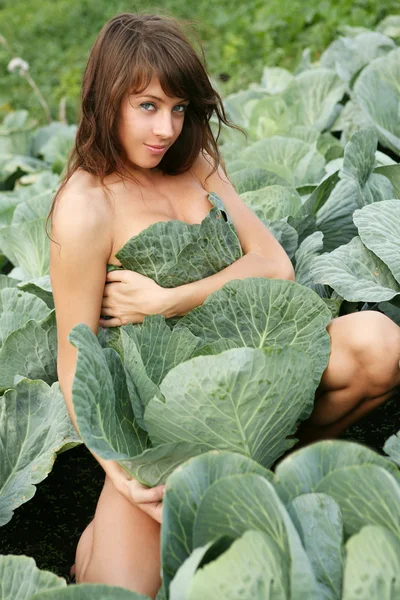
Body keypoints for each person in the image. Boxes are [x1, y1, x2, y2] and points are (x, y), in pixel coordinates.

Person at [48, 12, 400, 598]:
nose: (165, 128)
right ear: (106, 99)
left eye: (179, 107)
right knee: (122, 589)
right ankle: (97, 540)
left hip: (257, 381)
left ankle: (253, 478)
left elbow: (274, 263)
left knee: (381, 346)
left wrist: (167, 299)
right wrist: (122, 478)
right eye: (147, 106)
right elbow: (72, 360)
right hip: (165, 427)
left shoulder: (195, 163)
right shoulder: (85, 207)